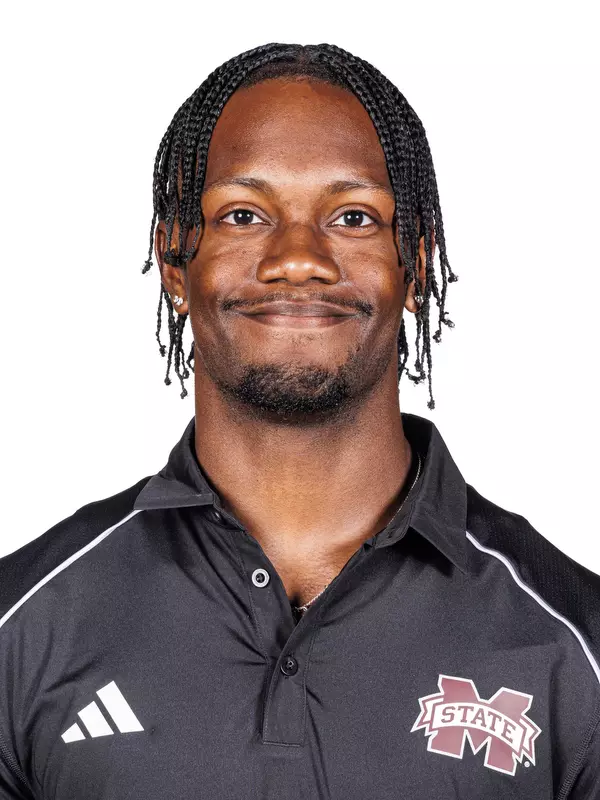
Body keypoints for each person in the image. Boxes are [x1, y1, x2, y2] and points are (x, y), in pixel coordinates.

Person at [0, 42, 598, 800]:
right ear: (176, 264)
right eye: (244, 214)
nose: (297, 258)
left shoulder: (571, 645)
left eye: (352, 216)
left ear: (414, 259)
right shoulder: (23, 629)